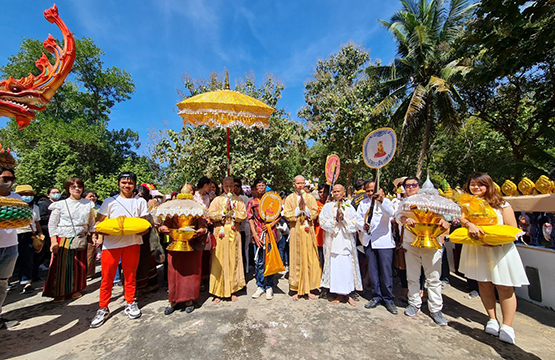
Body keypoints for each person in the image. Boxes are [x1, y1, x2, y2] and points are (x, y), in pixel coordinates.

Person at [458, 173, 529, 344]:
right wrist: (469, 224)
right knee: (484, 283)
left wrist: (496, 241)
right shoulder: (467, 204)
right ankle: (492, 318)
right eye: (472, 184)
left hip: (500, 249)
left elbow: (513, 229)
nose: (476, 188)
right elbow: (462, 219)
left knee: (504, 287)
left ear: (488, 185)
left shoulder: (502, 204)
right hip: (478, 248)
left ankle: (507, 325)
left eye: (480, 185)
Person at [90, 172, 150, 328]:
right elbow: (100, 222)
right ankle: (103, 307)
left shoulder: (140, 202)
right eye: (124, 182)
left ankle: (130, 302)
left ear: (134, 184)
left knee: (130, 276)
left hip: (133, 243)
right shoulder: (110, 202)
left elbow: (142, 223)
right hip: (111, 244)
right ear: (119, 184)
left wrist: (141, 230)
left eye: (130, 183)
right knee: (107, 277)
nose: (126, 185)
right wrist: (99, 232)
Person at [395, 177, 450, 326]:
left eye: (414, 185)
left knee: (433, 278)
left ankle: (436, 308)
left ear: (419, 186)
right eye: (407, 186)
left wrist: (443, 223)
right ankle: (414, 303)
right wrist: (405, 219)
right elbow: (398, 216)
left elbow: (443, 219)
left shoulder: (434, 202)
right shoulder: (404, 203)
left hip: (432, 242)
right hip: (411, 242)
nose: (410, 188)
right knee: (412, 275)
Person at [43, 178, 95, 302]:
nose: (77, 189)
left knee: (78, 266)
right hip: (64, 238)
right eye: (73, 187)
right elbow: (52, 224)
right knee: (61, 266)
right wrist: (53, 241)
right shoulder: (60, 204)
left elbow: (92, 222)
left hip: (80, 237)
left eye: (79, 186)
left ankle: (74, 290)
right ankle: (59, 293)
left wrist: (93, 236)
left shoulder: (88, 204)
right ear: (68, 189)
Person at [159, 188, 207, 315]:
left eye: (190, 192)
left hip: (192, 245)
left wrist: (200, 231)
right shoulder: (174, 209)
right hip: (175, 244)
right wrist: (163, 228)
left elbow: (203, 226)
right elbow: (165, 224)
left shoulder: (197, 208)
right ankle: (173, 301)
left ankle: (189, 300)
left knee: (191, 274)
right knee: (173, 273)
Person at [356, 180, 398, 314]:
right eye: (367, 191)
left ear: (379, 190)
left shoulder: (386, 202)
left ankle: (388, 299)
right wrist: (363, 226)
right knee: (373, 271)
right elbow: (358, 219)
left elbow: (391, 213)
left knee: (386, 272)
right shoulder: (363, 203)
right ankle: (376, 296)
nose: (370, 193)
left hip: (384, 242)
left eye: (372, 190)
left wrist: (381, 200)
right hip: (368, 240)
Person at [319, 184, 362, 306]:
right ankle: (338, 294)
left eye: (339, 191)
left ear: (343, 193)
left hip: (346, 242)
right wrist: (335, 220)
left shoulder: (350, 207)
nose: (336, 193)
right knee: (336, 268)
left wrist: (343, 219)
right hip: (333, 241)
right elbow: (322, 221)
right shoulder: (328, 206)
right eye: (334, 191)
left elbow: (355, 223)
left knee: (347, 267)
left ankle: (347, 294)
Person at [208, 177, 247, 302]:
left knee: (233, 260)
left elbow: (243, 215)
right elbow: (210, 215)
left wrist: (233, 212)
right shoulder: (217, 200)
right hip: (220, 233)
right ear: (222, 186)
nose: (229, 188)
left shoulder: (239, 200)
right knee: (219, 261)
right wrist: (224, 212)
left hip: (234, 233)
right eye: (226, 185)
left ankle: (232, 289)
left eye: (231, 185)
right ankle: (218, 292)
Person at [283, 175, 322, 300]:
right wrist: (297, 210)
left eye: (302, 183)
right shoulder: (289, 198)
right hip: (295, 231)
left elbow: (315, 213)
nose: (300, 185)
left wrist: (306, 210)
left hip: (307, 230)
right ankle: (297, 288)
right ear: (294, 184)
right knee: (297, 258)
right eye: (298, 183)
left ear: (305, 184)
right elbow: (287, 214)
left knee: (309, 257)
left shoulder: (310, 197)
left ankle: (309, 288)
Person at [247, 179, 280, 300]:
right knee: (259, 261)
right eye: (259, 186)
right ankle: (260, 285)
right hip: (259, 235)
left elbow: (279, 214)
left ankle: (269, 286)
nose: (261, 188)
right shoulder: (252, 203)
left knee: (270, 260)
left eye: (263, 185)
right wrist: (254, 234)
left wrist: (272, 225)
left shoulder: (272, 201)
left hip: (271, 235)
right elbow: (250, 219)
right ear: (255, 189)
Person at [0, 157, 23, 329]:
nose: (9, 183)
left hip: (10, 246)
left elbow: (25, 219)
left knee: (2, 283)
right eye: (5, 179)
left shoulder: (16, 198)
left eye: (12, 180)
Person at [14, 185, 42, 293]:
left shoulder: (35, 207)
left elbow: (36, 221)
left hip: (28, 234)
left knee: (27, 259)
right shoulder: (11, 207)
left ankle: (26, 282)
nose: (27, 197)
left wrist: (40, 234)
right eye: (24, 194)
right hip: (13, 234)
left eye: (30, 194)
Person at [83, 190, 100, 279]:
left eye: (94, 196)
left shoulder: (98, 208)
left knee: (91, 254)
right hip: (83, 233)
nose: (92, 198)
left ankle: (89, 273)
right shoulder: (82, 207)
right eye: (90, 196)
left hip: (94, 232)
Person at [315, 184, 329, 269]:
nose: (322, 194)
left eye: (324, 192)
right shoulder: (315, 204)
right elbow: (316, 219)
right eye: (320, 192)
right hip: (319, 237)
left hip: (330, 238)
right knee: (321, 261)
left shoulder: (333, 204)